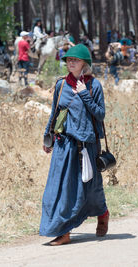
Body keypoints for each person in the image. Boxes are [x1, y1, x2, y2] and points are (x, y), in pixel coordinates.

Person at [40, 44, 109, 246]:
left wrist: (84, 95)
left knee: (90, 187)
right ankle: (64, 231)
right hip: (63, 144)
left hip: (86, 146)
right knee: (60, 187)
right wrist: (48, 136)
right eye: (68, 60)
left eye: (75, 60)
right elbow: (55, 113)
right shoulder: (61, 85)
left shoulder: (93, 86)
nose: (70, 62)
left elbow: (100, 114)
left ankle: (103, 213)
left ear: (84, 64)